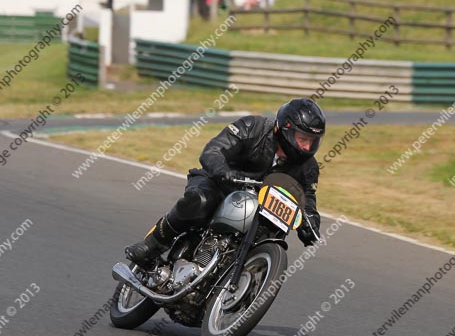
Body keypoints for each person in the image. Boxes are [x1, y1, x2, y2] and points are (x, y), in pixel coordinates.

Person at [125, 98, 326, 265]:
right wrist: (224, 171)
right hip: (219, 183)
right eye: (303, 138)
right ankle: (152, 245)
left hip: (259, 205)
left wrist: (310, 222)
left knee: (274, 231)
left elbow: (307, 196)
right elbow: (213, 150)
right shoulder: (252, 128)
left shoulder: (308, 167)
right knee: (201, 200)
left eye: (312, 141)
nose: (308, 146)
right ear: (286, 128)